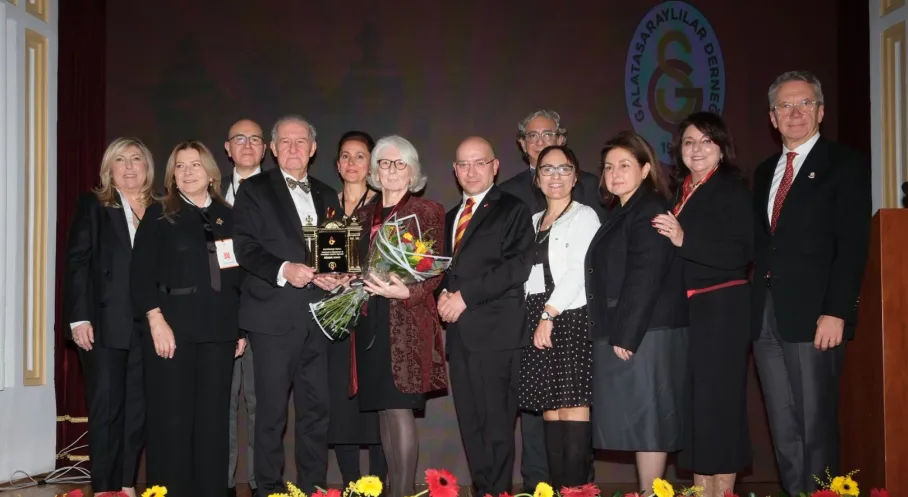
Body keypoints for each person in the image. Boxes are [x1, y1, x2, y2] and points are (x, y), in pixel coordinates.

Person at [751, 71, 871, 496]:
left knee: (815, 427)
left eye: (804, 103)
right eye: (785, 105)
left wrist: (837, 310)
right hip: (765, 319)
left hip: (816, 317)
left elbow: (853, 245)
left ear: (821, 111)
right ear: (772, 117)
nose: (795, 112)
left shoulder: (845, 164)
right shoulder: (765, 171)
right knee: (784, 430)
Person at [232, 115, 343, 495]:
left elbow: (335, 254)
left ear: (313, 150)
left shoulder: (329, 194)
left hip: (319, 317)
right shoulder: (254, 190)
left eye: (301, 142)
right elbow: (244, 248)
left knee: (316, 411)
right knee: (271, 413)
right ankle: (270, 488)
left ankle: (313, 487)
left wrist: (336, 275)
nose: (293, 148)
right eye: (285, 142)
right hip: (273, 317)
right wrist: (284, 269)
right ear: (273, 149)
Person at [130, 141, 246, 496]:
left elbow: (239, 278)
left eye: (194, 165)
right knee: (172, 420)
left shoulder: (230, 216)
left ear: (210, 172)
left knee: (212, 422)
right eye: (179, 166)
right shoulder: (159, 214)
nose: (187, 172)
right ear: (172, 175)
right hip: (172, 330)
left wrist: (239, 329)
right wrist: (155, 319)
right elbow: (139, 275)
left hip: (220, 332)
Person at [499, 110, 603, 490]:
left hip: (568, 318)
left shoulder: (585, 216)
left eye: (563, 170)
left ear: (576, 176)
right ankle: (556, 488)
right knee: (550, 412)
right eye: (548, 171)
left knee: (573, 408)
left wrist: (549, 313)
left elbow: (579, 272)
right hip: (537, 317)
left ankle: (577, 490)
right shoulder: (534, 220)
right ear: (537, 179)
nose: (555, 177)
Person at [651, 112, 753, 497]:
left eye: (706, 141)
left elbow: (742, 251)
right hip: (691, 311)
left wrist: (683, 239)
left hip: (723, 308)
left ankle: (721, 492)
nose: (696, 149)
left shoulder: (731, 188)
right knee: (696, 405)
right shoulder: (682, 191)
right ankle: (701, 490)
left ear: (721, 148)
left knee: (720, 403)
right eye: (689, 142)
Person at [585, 131, 688, 491]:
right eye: (609, 166)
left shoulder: (649, 208)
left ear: (646, 169)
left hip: (648, 333)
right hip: (636, 330)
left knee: (650, 424)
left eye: (625, 165)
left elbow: (646, 274)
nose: (614, 173)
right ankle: (649, 491)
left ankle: (651, 491)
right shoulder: (625, 209)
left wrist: (626, 334)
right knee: (644, 425)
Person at [350, 135, 448, 497]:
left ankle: (404, 492)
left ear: (412, 172)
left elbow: (434, 271)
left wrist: (408, 291)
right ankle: (395, 490)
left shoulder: (428, 211)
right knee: (383, 413)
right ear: (375, 171)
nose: (390, 170)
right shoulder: (361, 215)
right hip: (368, 319)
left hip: (405, 320)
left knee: (400, 408)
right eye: (384, 163)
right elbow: (351, 267)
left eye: (399, 163)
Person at [438, 136, 534, 496]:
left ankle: (497, 493)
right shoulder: (449, 218)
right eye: (464, 164)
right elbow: (442, 272)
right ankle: (483, 491)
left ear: (495, 166)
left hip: (497, 335)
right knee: (471, 426)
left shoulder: (512, 209)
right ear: (455, 171)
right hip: (461, 338)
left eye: (480, 162)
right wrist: (441, 294)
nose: (471, 170)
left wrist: (464, 297)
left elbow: (517, 266)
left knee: (496, 428)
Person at [64, 137, 155, 497]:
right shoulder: (92, 204)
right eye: (121, 160)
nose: (130, 166)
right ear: (109, 169)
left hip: (148, 325)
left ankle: (126, 483)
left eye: (137, 159)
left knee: (137, 411)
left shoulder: (162, 209)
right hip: (102, 324)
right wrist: (78, 318)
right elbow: (77, 262)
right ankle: (103, 488)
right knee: (106, 408)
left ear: (147, 168)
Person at [330, 130, 386, 489]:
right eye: (346, 156)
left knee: (376, 400)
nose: (352, 163)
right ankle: (351, 484)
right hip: (333, 316)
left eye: (360, 156)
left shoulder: (383, 206)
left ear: (372, 163)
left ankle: (378, 484)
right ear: (337, 164)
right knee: (339, 402)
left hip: (373, 316)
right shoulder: (325, 205)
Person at [222, 118, 266, 497]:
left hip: (266, 317)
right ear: (228, 148)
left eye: (255, 139)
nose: (248, 145)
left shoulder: (279, 197)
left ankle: (258, 482)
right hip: (220, 319)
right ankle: (222, 482)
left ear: (265, 149)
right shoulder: (211, 198)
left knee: (260, 406)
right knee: (221, 405)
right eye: (240, 139)